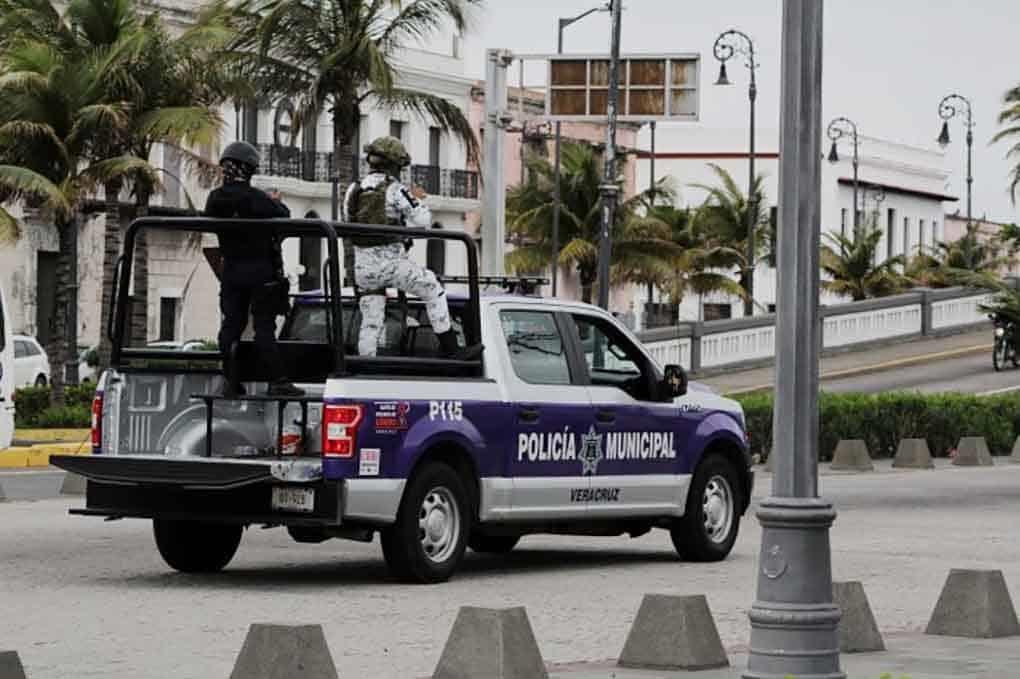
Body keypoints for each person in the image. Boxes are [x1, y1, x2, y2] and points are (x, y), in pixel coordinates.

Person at [343, 136, 481, 360]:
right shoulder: (395, 189)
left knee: (371, 319)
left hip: (362, 268)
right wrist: (417, 198)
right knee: (431, 287)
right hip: (391, 264)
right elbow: (423, 219)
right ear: (394, 165)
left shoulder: (354, 189)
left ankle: (365, 364)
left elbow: (347, 220)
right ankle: (452, 349)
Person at [205, 141, 303, 397]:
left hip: (232, 272)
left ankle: (230, 380)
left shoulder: (215, 199)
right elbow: (283, 215)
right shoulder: (256, 198)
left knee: (230, 327)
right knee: (264, 328)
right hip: (261, 273)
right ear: (248, 170)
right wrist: (274, 201)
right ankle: (278, 380)